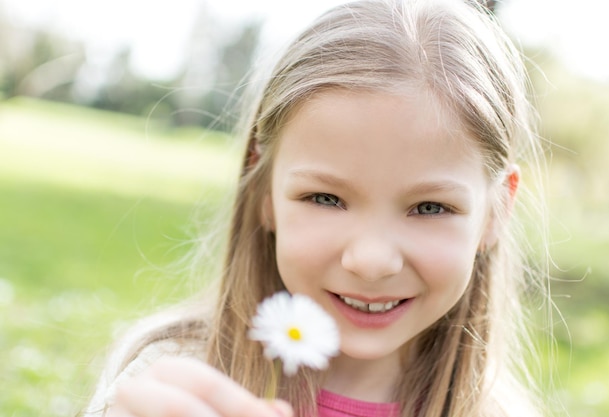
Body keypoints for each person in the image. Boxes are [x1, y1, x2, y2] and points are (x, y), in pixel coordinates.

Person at [84, 0, 552, 416]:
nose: (370, 261)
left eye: (430, 207)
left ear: (496, 211)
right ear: (262, 186)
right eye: (325, 199)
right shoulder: (174, 383)